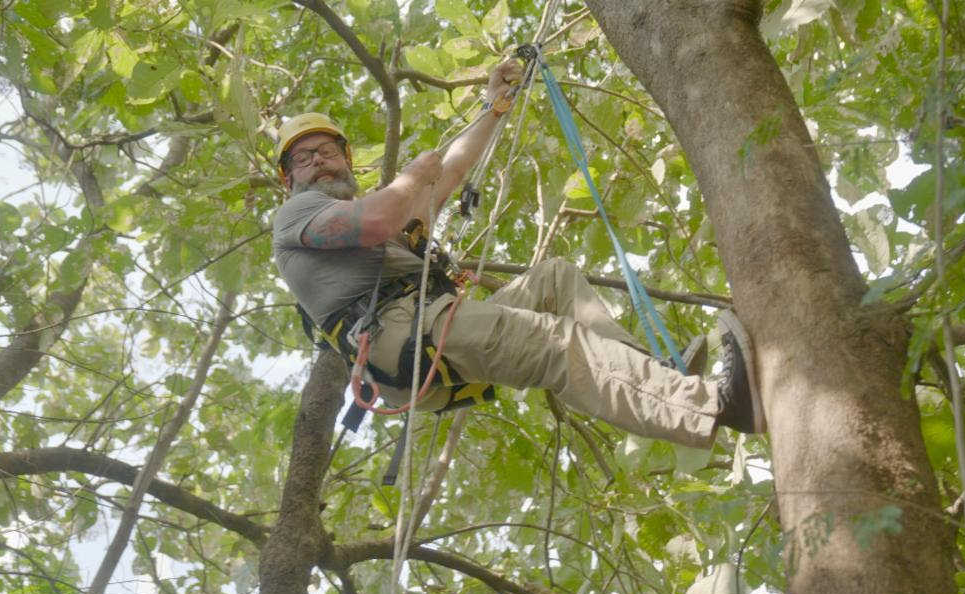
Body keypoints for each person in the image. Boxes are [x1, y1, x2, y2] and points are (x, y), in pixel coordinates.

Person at [271, 60, 765, 448]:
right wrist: (411, 177)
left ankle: (659, 383)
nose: (318, 161)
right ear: (289, 178)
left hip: (427, 332)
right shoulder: (298, 215)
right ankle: (716, 406)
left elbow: (453, 169)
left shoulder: (392, 223)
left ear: (347, 159)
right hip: (407, 333)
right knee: (556, 344)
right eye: (303, 158)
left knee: (554, 278)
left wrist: (494, 107)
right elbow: (379, 216)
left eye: (327, 151)